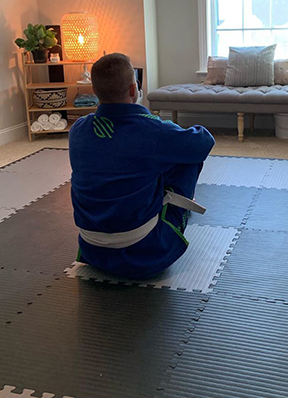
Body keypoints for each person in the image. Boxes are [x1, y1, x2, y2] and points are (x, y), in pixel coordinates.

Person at [69, 53, 215, 279]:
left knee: (140, 161)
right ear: (133, 89)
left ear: (95, 92)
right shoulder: (152, 131)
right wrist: (168, 128)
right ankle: (180, 206)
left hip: (91, 250)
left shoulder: (78, 129)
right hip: (145, 253)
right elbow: (204, 142)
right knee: (187, 154)